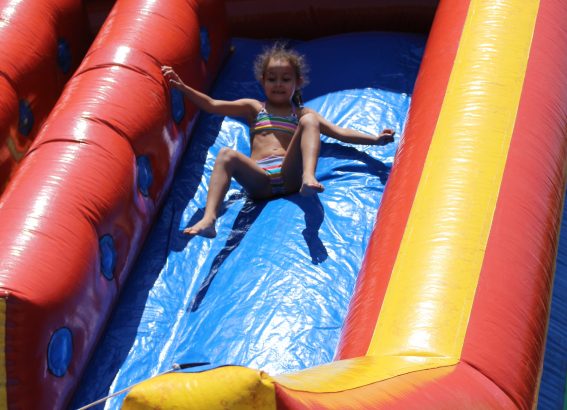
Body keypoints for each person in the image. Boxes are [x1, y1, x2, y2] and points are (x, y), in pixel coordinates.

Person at [162, 43, 395, 238]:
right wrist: (183, 88)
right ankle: (209, 218)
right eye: (272, 79)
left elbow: (340, 132)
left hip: (289, 174)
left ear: (297, 83)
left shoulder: (301, 113)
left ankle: (308, 177)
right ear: (263, 82)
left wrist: (375, 139)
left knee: (310, 120)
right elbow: (213, 105)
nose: (278, 84)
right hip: (260, 179)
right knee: (225, 154)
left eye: (285, 79)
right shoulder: (254, 108)